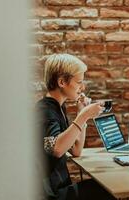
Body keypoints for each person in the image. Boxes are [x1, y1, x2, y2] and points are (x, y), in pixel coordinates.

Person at [36, 54, 116, 200]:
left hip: (61, 187)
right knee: (109, 189)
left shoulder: (59, 107)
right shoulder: (45, 110)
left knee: (108, 185)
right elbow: (56, 149)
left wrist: (81, 112)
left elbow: (76, 150)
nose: (82, 87)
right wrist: (84, 116)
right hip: (52, 194)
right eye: (79, 82)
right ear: (61, 82)